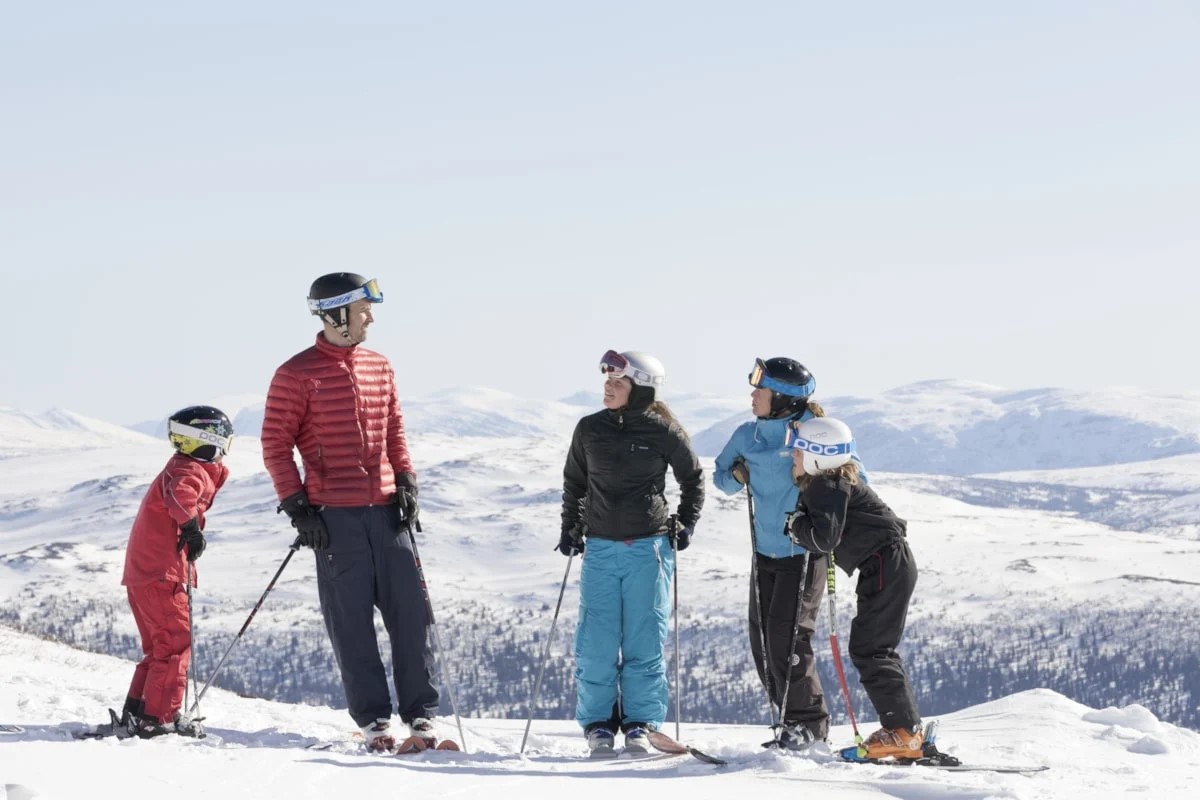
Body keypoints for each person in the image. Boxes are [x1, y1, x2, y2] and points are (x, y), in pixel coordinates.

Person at [261, 272, 437, 753]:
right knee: (352, 622)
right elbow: (276, 445)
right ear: (337, 314)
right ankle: (376, 722)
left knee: (412, 616)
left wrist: (407, 481)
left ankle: (421, 717)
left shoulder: (379, 366)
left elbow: (395, 430)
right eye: (363, 312)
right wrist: (299, 507)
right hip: (335, 517)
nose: (371, 319)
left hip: (387, 512)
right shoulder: (296, 373)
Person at [713, 357, 866, 749]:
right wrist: (734, 475)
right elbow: (720, 476)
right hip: (764, 552)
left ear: (781, 397)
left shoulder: (813, 432)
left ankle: (810, 724)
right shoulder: (747, 436)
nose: (752, 394)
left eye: (759, 389)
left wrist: (821, 480)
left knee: (788, 637)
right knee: (762, 639)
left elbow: (855, 477)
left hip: (805, 552)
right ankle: (789, 721)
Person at [558, 349, 704, 757]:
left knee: (644, 640)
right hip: (601, 549)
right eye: (606, 379)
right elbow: (575, 483)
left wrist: (685, 522)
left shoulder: (663, 432)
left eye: (618, 381)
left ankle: (640, 723)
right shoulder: (588, 429)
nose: (608, 386)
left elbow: (693, 479)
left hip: (650, 549)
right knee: (597, 643)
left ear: (640, 389)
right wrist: (571, 527)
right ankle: (599, 725)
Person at [785, 416, 923, 759]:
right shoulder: (832, 484)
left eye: (799, 449)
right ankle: (904, 729)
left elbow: (823, 538)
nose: (793, 456)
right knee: (873, 648)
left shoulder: (826, 486)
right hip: (887, 565)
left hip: (885, 566)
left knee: (871, 649)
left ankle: (904, 733)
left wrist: (795, 525)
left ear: (819, 454)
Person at [120, 405, 233, 739]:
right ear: (210, 438)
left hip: (148, 572)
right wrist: (191, 528)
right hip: (160, 574)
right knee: (174, 646)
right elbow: (181, 496)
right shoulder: (190, 470)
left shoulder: (182, 467)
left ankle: (139, 710)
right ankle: (158, 719)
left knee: (159, 649)